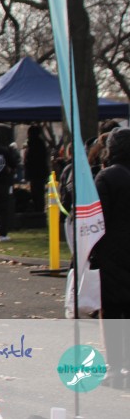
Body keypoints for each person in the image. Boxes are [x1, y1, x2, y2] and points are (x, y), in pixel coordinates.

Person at [91, 127, 130, 388]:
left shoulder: (106, 177)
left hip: (112, 253)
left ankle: (115, 368)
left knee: (113, 311)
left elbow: (96, 219)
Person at [23, 125, 49, 212]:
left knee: (37, 193)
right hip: (39, 173)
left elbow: (30, 160)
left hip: (36, 174)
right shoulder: (40, 144)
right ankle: (39, 208)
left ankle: (38, 209)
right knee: (39, 192)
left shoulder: (34, 144)